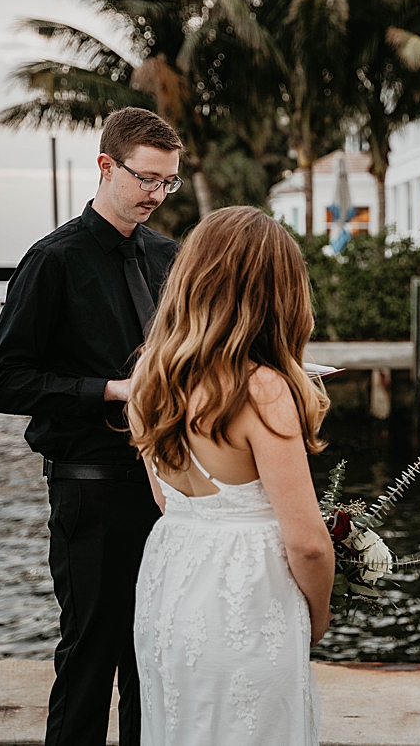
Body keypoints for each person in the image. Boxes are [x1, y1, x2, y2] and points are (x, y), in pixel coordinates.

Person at [0, 107, 183, 746]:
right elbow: (6, 378)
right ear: (106, 166)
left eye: (168, 182)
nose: (157, 195)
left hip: (173, 489)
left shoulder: (169, 256)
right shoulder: (52, 260)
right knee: (90, 659)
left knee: (152, 663)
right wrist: (109, 390)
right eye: (146, 179)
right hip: (91, 488)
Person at [126, 205, 333, 745]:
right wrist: (319, 614)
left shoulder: (148, 377)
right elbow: (308, 544)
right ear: (276, 293)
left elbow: (166, 501)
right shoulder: (261, 390)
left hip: (171, 586)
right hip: (248, 599)